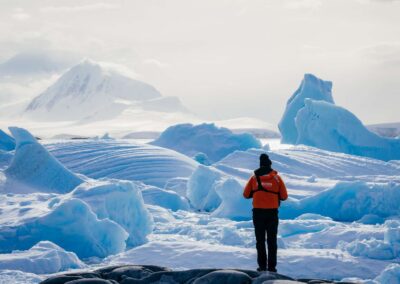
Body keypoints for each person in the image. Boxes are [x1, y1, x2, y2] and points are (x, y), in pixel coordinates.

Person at [243, 153, 288, 272]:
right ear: (270, 165)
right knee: (272, 240)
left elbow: (246, 195)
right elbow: (284, 196)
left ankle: (262, 267)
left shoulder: (254, 178)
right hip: (272, 213)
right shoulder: (277, 178)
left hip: (258, 213)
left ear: (260, 165)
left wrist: (257, 191)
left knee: (260, 240)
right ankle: (272, 267)